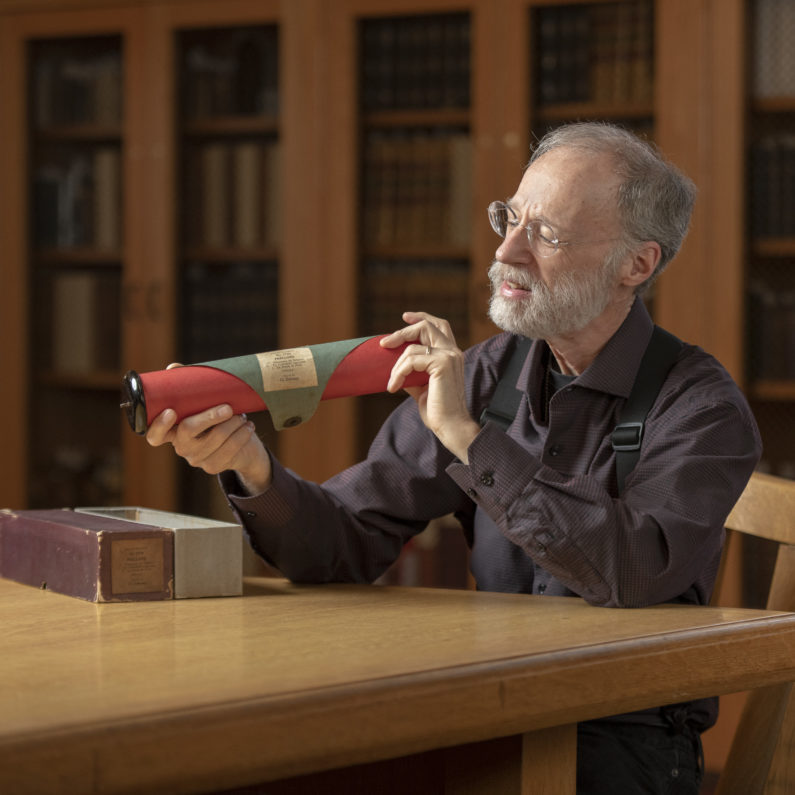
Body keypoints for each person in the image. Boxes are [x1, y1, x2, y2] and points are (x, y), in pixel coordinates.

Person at [146, 121, 761, 794]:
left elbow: (628, 571)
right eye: (510, 218)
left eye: (545, 234)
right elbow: (344, 543)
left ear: (635, 264)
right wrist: (250, 465)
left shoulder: (701, 407)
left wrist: (468, 438)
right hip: (487, 706)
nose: (506, 251)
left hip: (618, 735)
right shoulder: (485, 374)